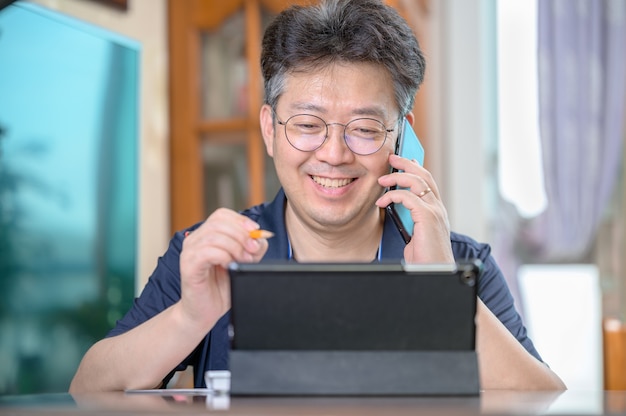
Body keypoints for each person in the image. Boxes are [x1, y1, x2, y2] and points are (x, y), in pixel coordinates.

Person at [69, 0, 565, 392]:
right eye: (307, 125)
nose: (332, 154)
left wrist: (442, 288)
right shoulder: (209, 257)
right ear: (269, 130)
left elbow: (543, 399)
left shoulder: (460, 264)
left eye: (365, 128)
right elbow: (88, 387)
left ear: (402, 138)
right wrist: (189, 316)